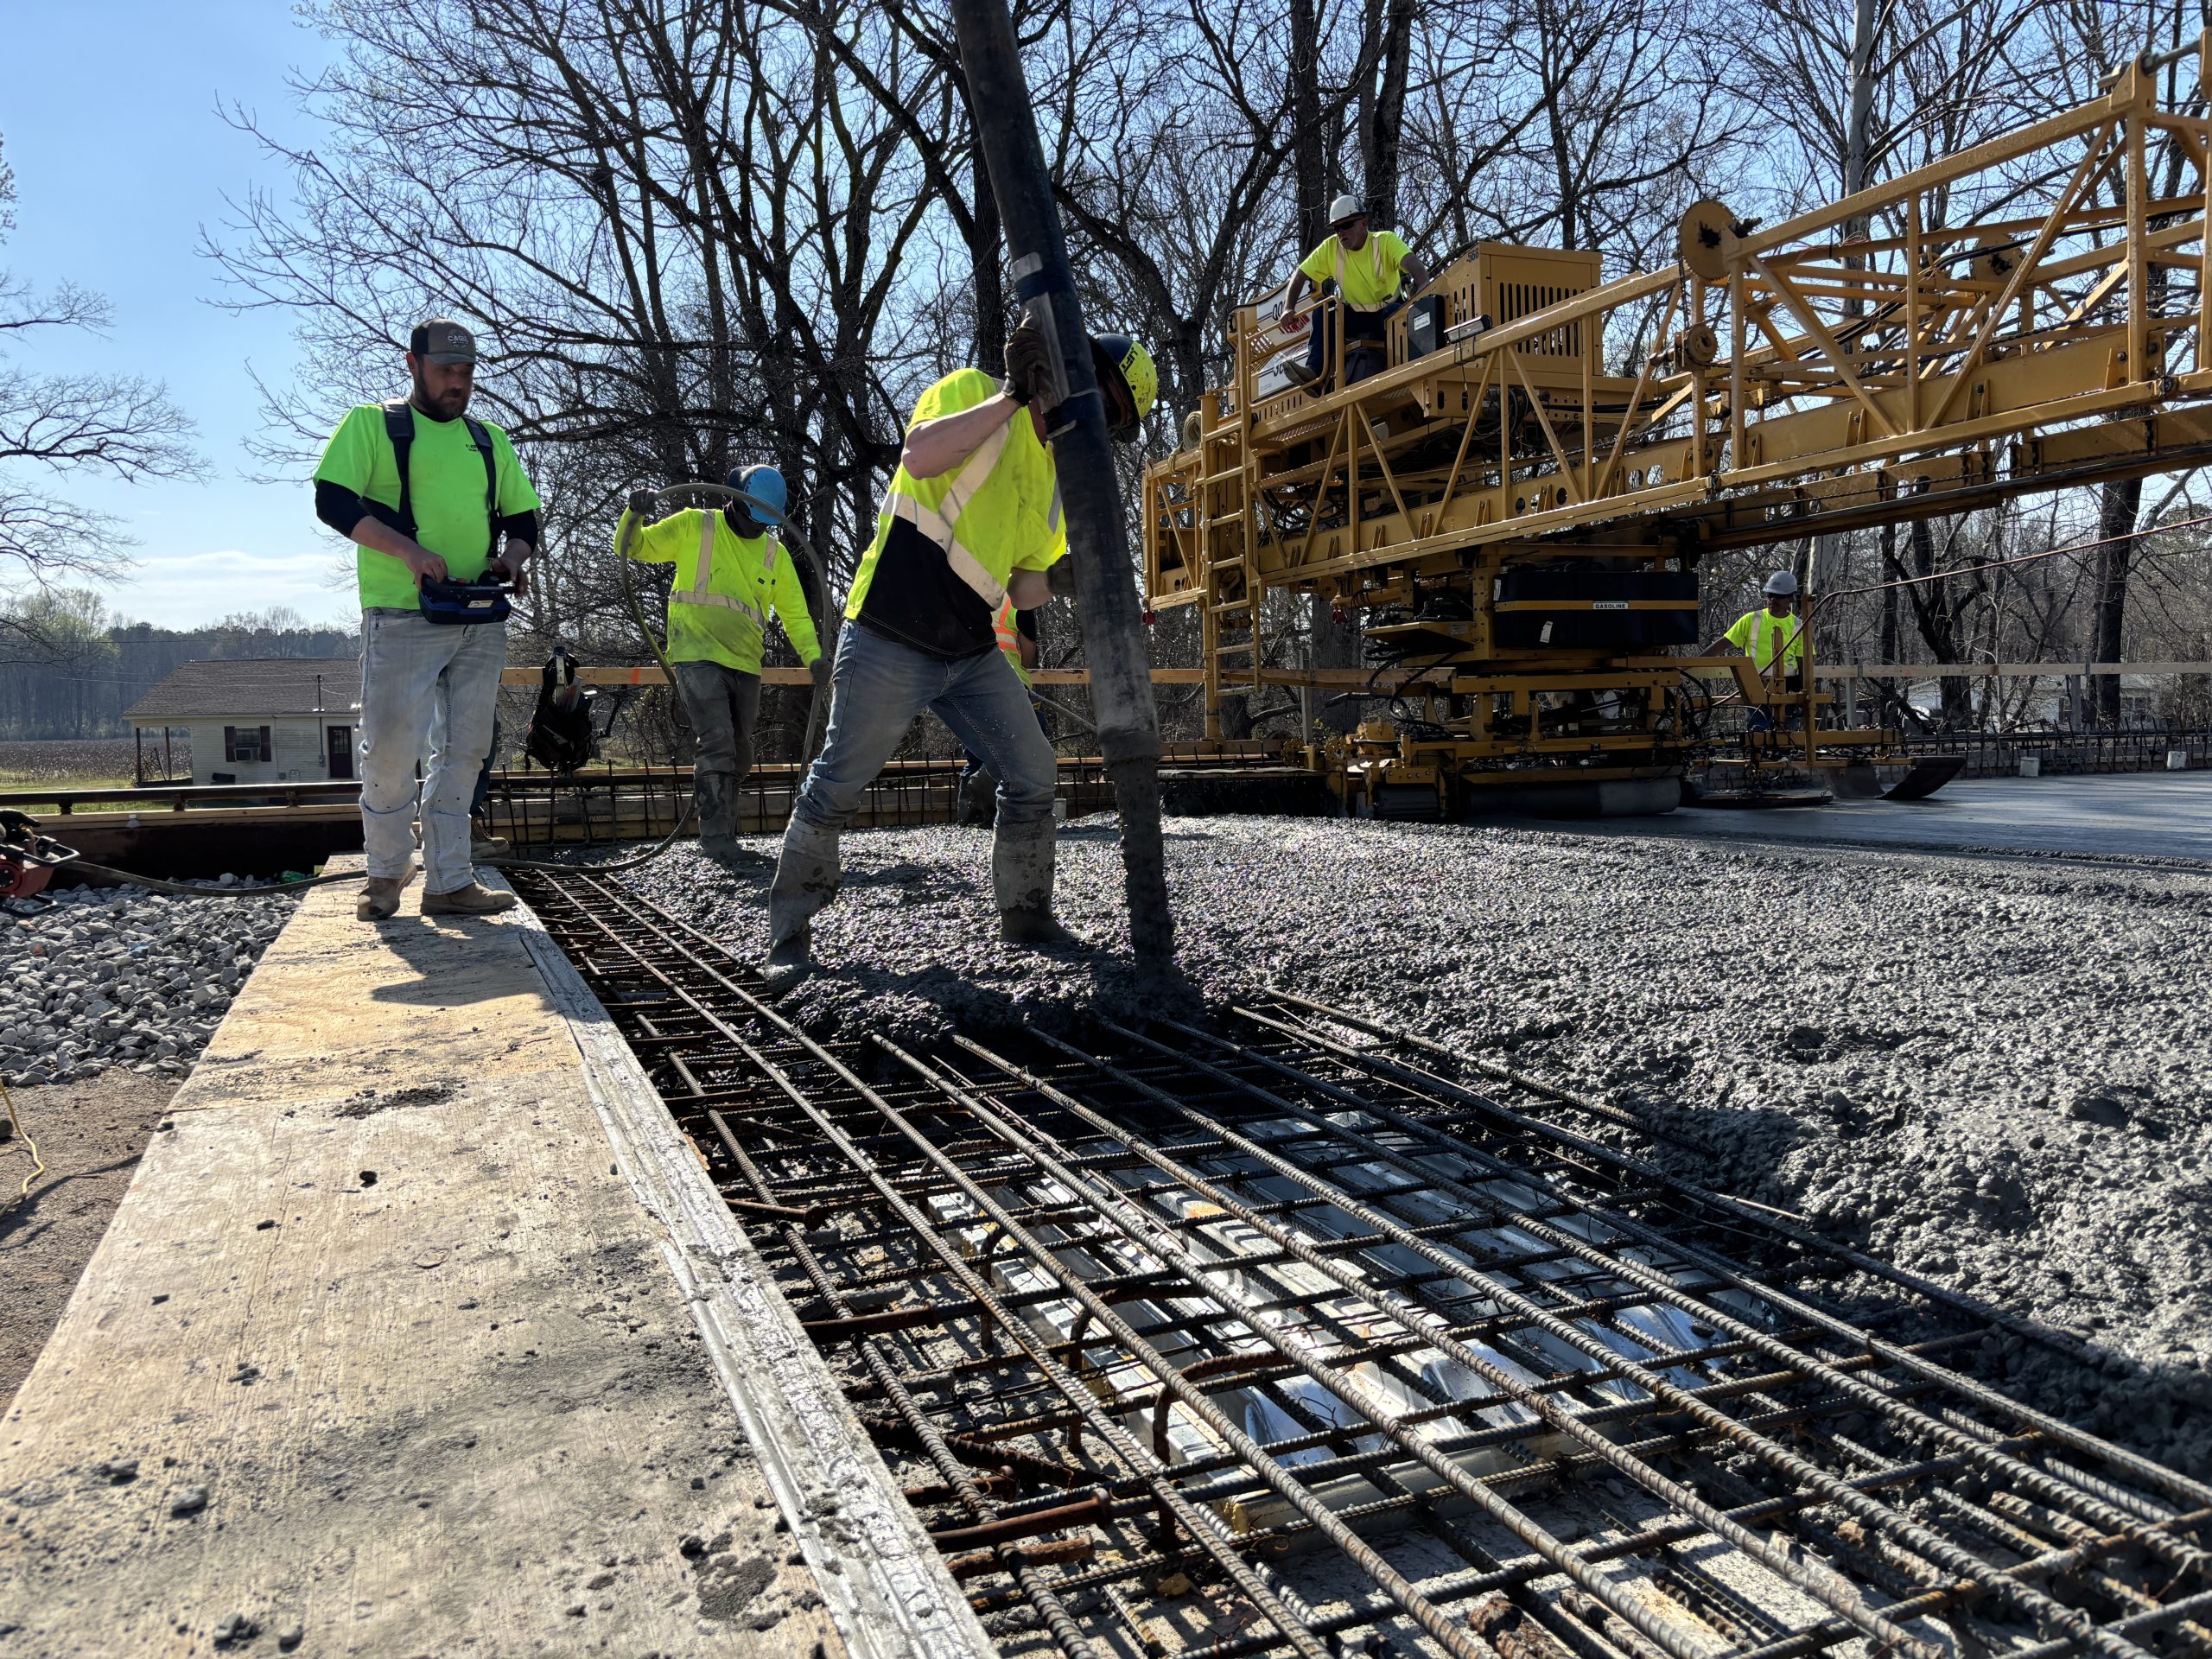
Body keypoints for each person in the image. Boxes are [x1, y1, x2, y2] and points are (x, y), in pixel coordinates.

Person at [761, 319, 1157, 987]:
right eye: (1095, 391)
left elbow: (1022, 583)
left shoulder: (1056, 484)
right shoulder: (975, 393)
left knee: (1034, 773)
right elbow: (920, 456)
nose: (1090, 411)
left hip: (969, 648)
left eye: (1109, 414)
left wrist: (1067, 577)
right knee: (836, 786)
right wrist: (1008, 395)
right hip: (892, 626)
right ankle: (788, 935)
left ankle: (1027, 917)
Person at [314, 318, 540, 921]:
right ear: (411, 364)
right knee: (390, 748)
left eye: (465, 373)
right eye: (444, 370)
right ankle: (385, 874)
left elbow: (524, 522)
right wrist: (409, 553)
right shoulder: (373, 426)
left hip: (479, 614)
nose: (456, 383)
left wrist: (513, 560)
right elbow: (332, 500)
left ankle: (449, 881)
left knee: (466, 750)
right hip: (401, 612)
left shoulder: (489, 440)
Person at [615, 465, 827, 863]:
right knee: (717, 741)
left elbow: (795, 615)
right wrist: (635, 514)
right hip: (695, 654)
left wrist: (813, 658)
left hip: (745, 661)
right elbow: (634, 547)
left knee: (741, 751)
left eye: (765, 524)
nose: (757, 530)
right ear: (735, 502)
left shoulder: (773, 553)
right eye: (753, 520)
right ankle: (716, 839)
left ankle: (725, 830)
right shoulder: (696, 526)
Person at [1279, 195, 1430, 389]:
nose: (1341, 233)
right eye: (1336, 228)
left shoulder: (1384, 241)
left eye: (1347, 225)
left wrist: (1424, 284)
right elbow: (1300, 274)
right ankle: (1315, 374)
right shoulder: (1331, 248)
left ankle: (1406, 372)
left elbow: (1413, 264)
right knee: (1325, 310)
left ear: (1363, 224)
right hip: (1354, 317)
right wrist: (1288, 308)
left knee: (1397, 314)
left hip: (1387, 313)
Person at [958, 598, 1047, 825]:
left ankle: (971, 819)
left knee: (977, 753)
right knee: (1022, 753)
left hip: (968, 687)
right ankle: (1011, 815)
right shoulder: (1019, 601)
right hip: (1011, 685)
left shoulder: (965, 593)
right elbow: (1028, 650)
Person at [1707, 570, 1808, 730]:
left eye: (1779, 596)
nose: (1773, 600)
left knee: (1788, 739)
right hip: (1756, 685)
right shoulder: (1751, 620)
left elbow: (1805, 664)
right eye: (1770, 595)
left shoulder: (1799, 626)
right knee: (1757, 735)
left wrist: (1804, 696)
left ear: (1790, 598)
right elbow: (1723, 644)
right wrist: (1690, 664)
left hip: (1788, 690)